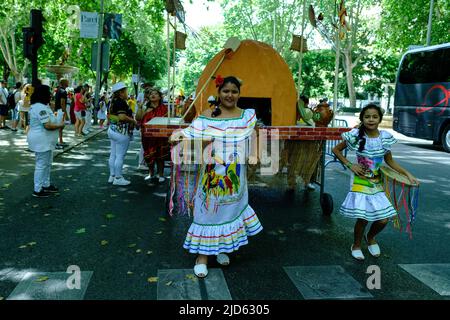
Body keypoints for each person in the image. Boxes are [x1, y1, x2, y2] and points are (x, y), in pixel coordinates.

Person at [169, 76, 263, 278]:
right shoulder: (207, 115)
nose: (230, 95)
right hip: (211, 173)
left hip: (236, 175)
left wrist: (255, 154)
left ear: (239, 93)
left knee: (228, 211)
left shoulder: (246, 116)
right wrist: (179, 136)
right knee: (207, 212)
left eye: (234, 91)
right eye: (226, 91)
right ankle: (202, 257)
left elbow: (255, 134)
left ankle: (220, 248)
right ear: (219, 93)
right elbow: (190, 135)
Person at [332, 104, 419, 261]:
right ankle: (356, 245)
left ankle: (370, 237)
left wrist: (408, 174)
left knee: (383, 218)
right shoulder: (356, 135)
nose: (371, 119)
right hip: (360, 181)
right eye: (367, 117)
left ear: (379, 119)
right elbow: (336, 150)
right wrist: (351, 165)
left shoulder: (384, 137)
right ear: (362, 119)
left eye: (374, 116)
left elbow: (390, 161)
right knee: (363, 217)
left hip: (377, 182)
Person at [27, 85, 65, 197]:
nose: (50, 95)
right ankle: (37, 189)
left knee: (47, 163)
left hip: (45, 140)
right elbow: (47, 125)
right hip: (41, 140)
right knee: (41, 164)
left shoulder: (42, 106)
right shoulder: (40, 107)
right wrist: (60, 125)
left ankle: (45, 184)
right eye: (48, 93)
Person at [135, 88, 169, 182]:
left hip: (161, 136)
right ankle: (151, 173)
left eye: (155, 94)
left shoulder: (164, 108)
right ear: (148, 97)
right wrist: (141, 108)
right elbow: (138, 118)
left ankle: (161, 175)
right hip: (147, 137)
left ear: (160, 97)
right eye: (151, 94)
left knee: (161, 154)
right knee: (148, 154)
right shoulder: (145, 107)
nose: (153, 95)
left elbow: (168, 121)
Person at [107, 82, 136, 186]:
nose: (127, 93)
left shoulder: (112, 101)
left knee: (113, 154)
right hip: (121, 132)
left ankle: (112, 176)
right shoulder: (121, 102)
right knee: (120, 156)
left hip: (112, 130)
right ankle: (118, 178)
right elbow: (122, 117)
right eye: (126, 91)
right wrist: (133, 121)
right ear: (121, 93)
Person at [54, 79, 69, 149]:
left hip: (57, 110)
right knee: (59, 127)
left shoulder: (58, 90)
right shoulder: (63, 91)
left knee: (60, 127)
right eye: (67, 82)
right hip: (60, 111)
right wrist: (65, 113)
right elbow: (62, 103)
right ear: (64, 83)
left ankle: (60, 141)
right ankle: (56, 142)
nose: (68, 82)